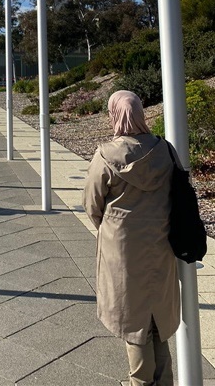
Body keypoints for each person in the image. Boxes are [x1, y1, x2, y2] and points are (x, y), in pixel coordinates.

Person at [83, 90, 180, 386]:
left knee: (133, 321)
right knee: (157, 322)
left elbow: (91, 204)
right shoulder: (165, 150)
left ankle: (140, 382)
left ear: (116, 115)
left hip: (122, 249)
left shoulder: (106, 154)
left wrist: (111, 227)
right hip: (161, 244)